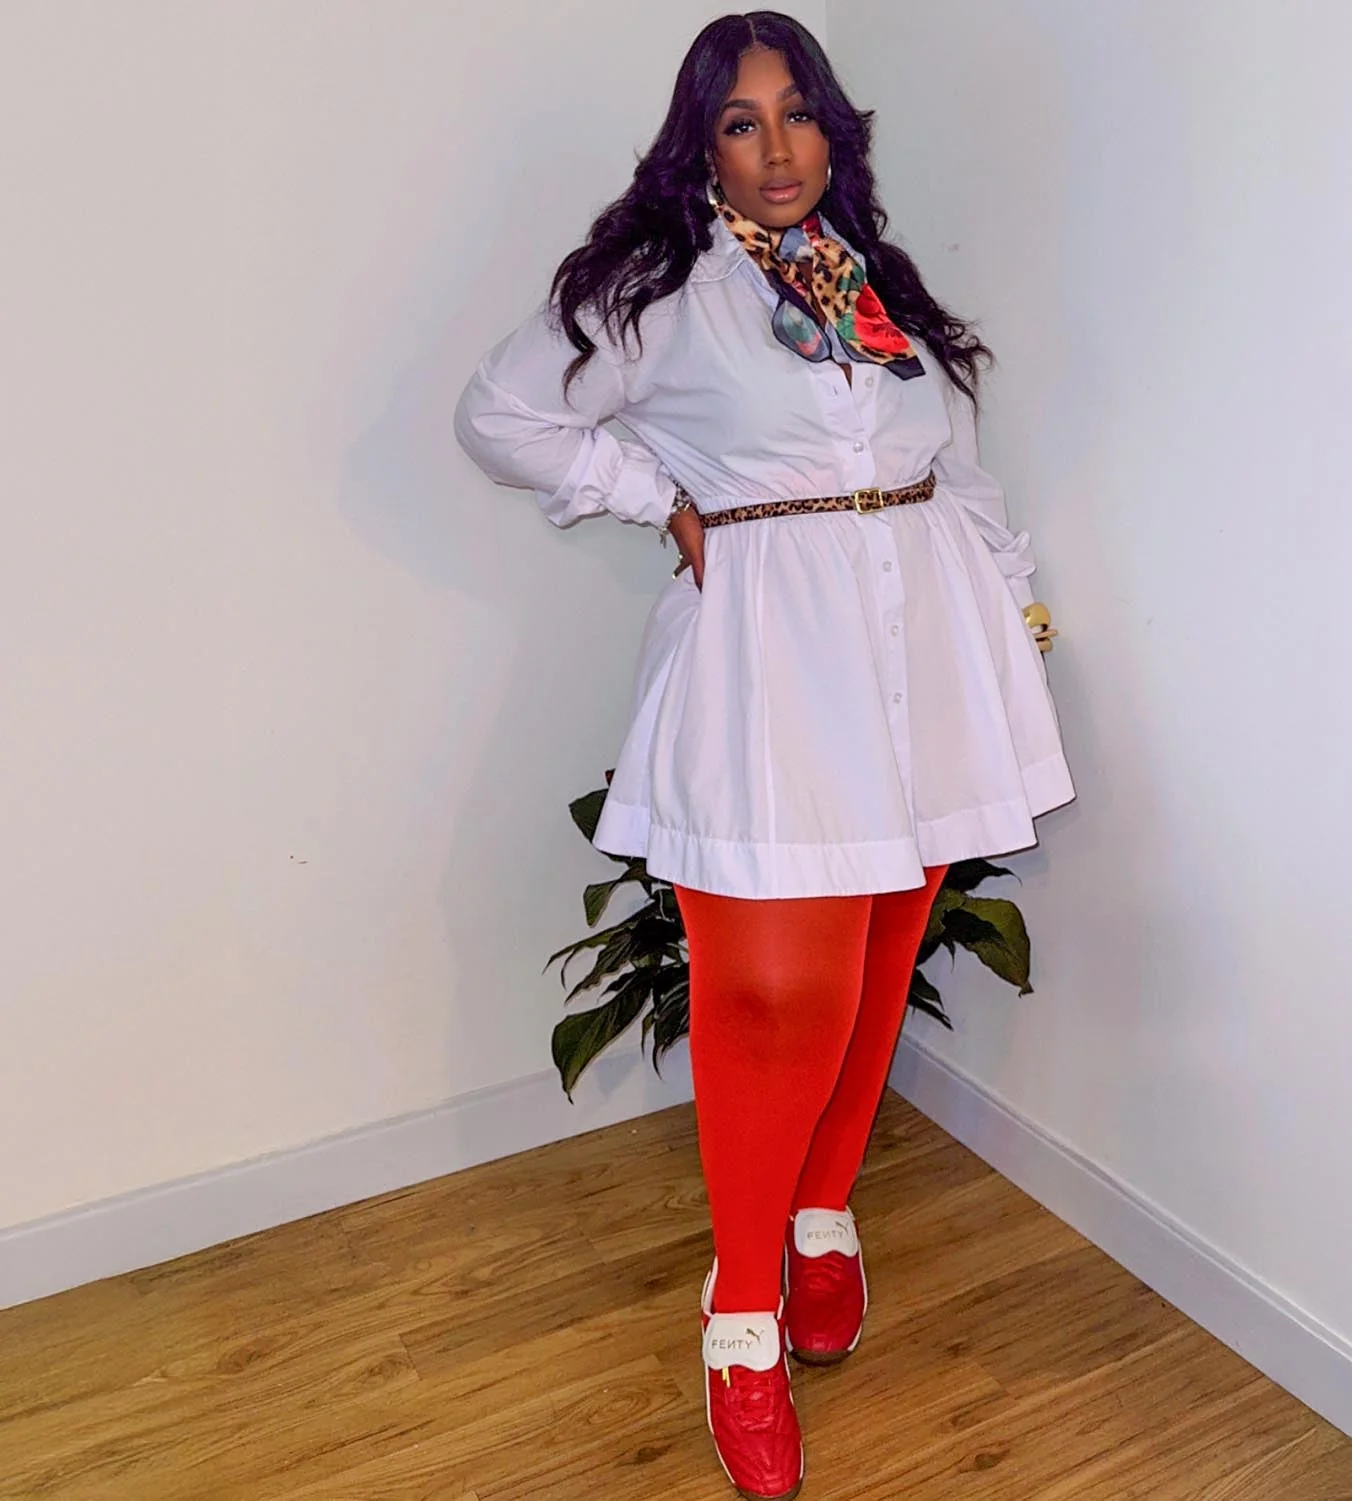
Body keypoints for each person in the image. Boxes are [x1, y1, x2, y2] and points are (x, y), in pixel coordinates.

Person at [454, 12, 1074, 1498]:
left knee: (878, 954)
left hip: (929, 641)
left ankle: (823, 1214)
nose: (778, 148)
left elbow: (957, 469)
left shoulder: (877, 285)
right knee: (772, 987)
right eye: (743, 122)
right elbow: (500, 416)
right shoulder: (653, 290)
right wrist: (648, 494)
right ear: (702, 143)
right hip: (774, 654)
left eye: (799, 114)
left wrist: (1011, 615)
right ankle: (740, 1314)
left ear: (833, 130)